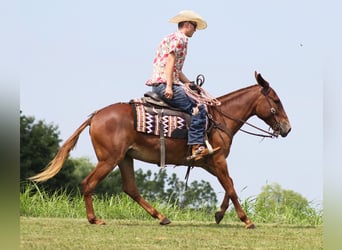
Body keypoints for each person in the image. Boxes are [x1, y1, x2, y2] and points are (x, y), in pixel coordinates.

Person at [146, 10, 219, 160]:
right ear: (187, 25)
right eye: (194, 26)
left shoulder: (170, 37)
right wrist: (168, 86)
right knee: (199, 107)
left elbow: (176, 70)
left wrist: (190, 84)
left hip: (162, 81)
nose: (195, 30)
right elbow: (170, 63)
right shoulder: (181, 39)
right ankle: (196, 146)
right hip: (164, 84)